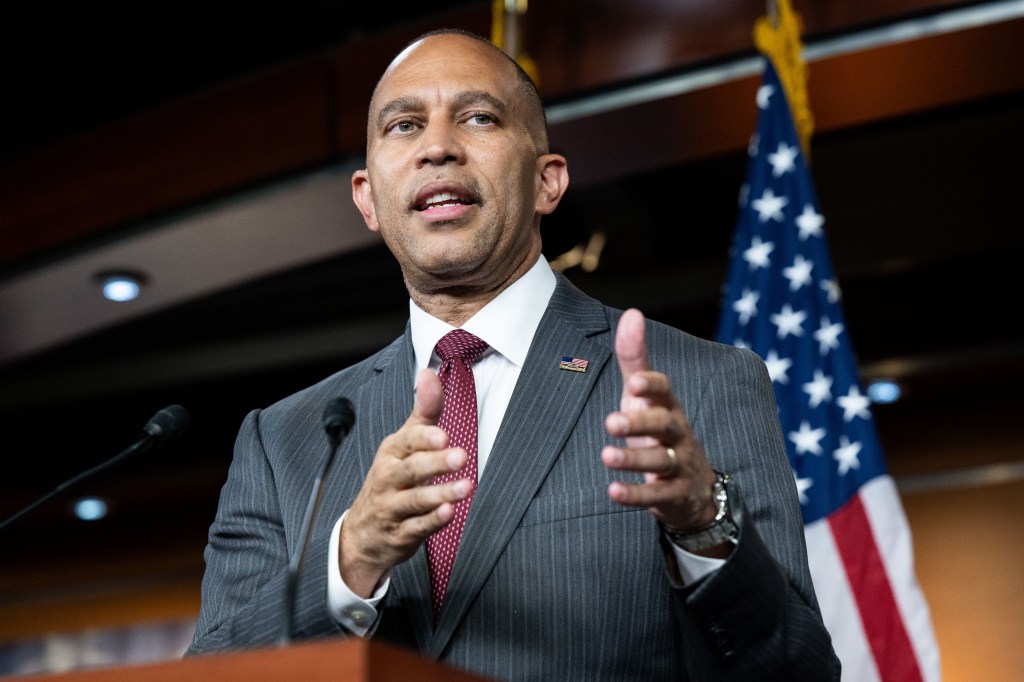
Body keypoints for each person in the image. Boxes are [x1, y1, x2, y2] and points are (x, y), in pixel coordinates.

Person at [189, 29, 840, 680]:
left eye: (478, 118)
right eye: (404, 125)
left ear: (547, 180)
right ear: (368, 198)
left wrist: (701, 525)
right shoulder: (282, 442)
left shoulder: (702, 385)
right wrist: (348, 562)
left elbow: (798, 671)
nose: (438, 147)